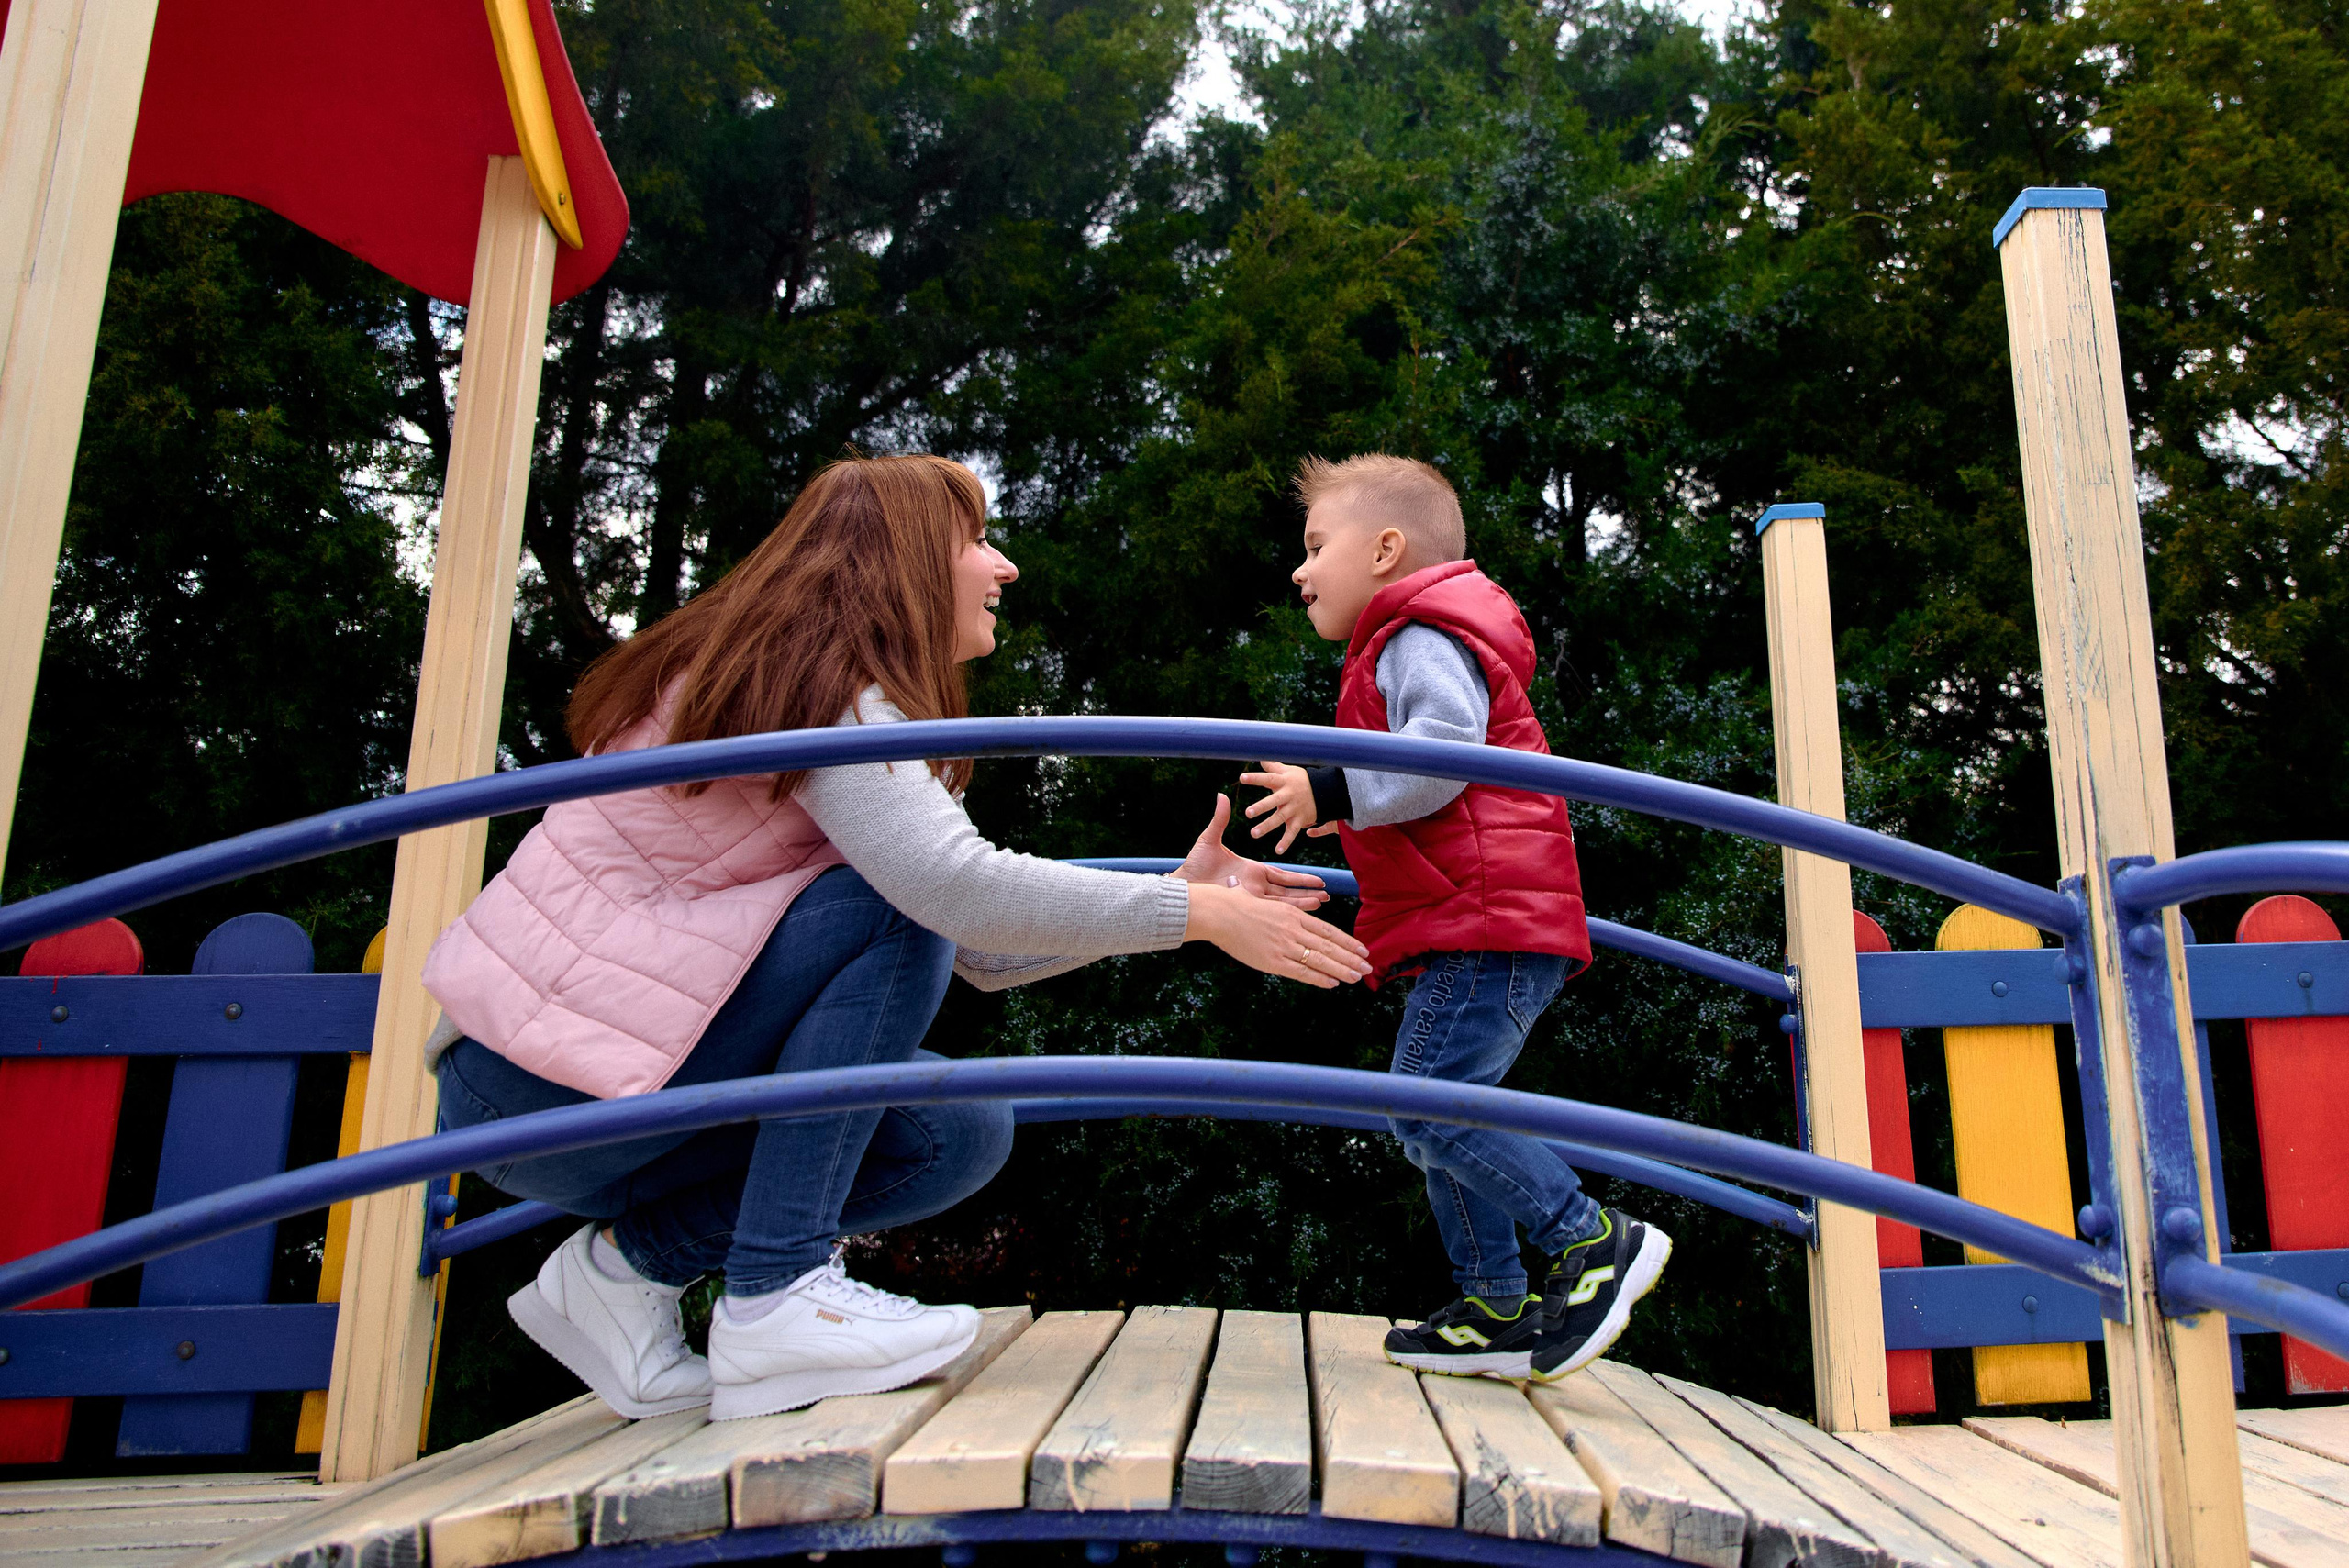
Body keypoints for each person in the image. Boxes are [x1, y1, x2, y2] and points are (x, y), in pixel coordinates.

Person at [421, 454, 1372, 1422]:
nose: (1002, 566)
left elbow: (978, 948)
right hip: (530, 1083)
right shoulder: (823, 688)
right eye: (974, 541)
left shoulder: (827, 692)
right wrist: (1199, 913)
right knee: (895, 904)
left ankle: (624, 1273)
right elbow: (945, 895)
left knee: (952, 1133)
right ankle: (775, 1296)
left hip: (601, 1085)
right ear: (908, 561)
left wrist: (1176, 897)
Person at [1241, 454, 1669, 1383]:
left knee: (1426, 1102)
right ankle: (1496, 1305)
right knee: (1439, 1105)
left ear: (1386, 550)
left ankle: (1591, 1237)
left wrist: (1328, 788)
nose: (1299, 568)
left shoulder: (1419, 633)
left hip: (1486, 919)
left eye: (1317, 546)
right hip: (1470, 916)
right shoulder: (1405, 637)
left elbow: (1440, 756)